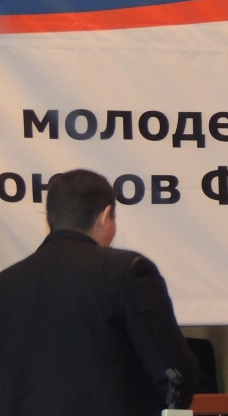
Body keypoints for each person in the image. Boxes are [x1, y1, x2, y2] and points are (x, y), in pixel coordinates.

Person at [0, 169, 198, 416]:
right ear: (105, 216)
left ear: (50, 218)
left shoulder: (6, 283)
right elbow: (173, 372)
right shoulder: (127, 271)